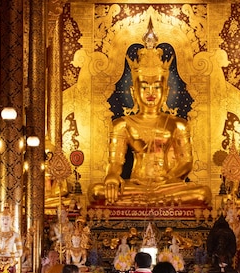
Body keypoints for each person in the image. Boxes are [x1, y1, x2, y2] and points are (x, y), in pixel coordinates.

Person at [87, 22, 211, 206]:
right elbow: (115, 163)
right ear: (133, 91)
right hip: (136, 184)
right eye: (144, 86)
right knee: (96, 192)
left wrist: (168, 179)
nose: (150, 92)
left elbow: (186, 162)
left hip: (167, 184)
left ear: (166, 91)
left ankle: (149, 200)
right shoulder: (123, 124)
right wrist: (112, 177)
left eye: (156, 87)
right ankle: (155, 200)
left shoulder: (178, 124)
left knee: (203, 194)